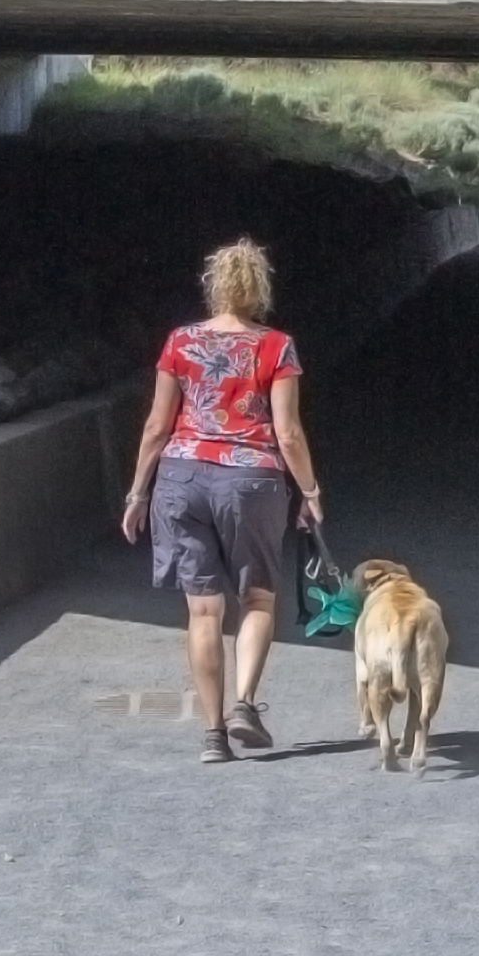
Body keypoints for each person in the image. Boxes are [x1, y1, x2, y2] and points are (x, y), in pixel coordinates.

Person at [120, 238, 328, 761]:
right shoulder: (276, 346)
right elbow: (288, 432)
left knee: (204, 611)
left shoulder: (180, 341)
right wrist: (310, 491)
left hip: (180, 478)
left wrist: (138, 492)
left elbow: (154, 427)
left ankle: (213, 734)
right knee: (257, 596)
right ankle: (244, 705)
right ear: (260, 289)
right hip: (251, 482)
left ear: (214, 286)